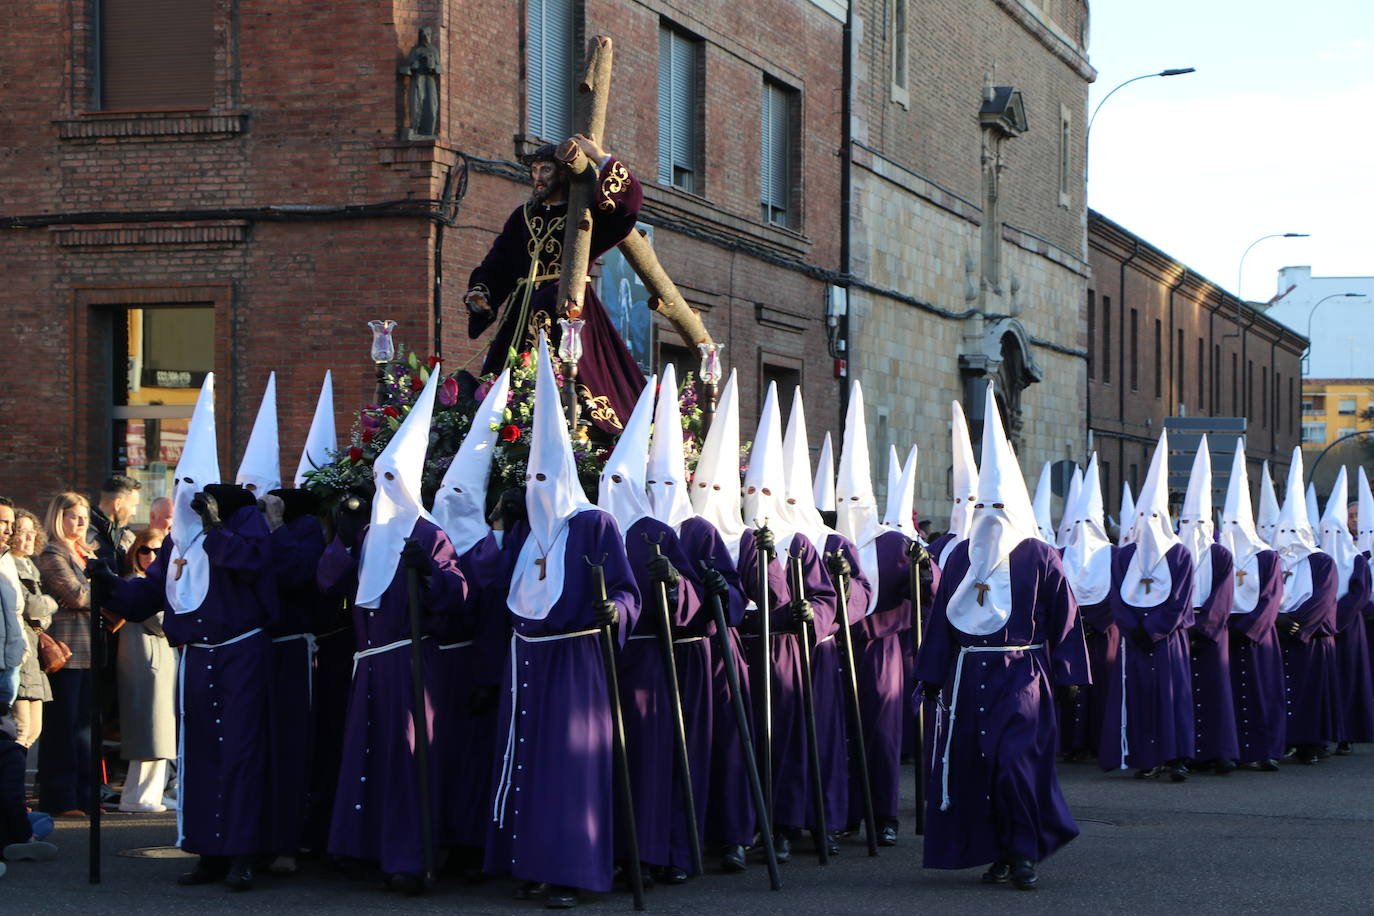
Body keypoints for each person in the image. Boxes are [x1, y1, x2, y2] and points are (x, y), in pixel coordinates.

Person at [94, 374, 278, 891]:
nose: (186, 502)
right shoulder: (175, 546)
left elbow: (253, 566)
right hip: (195, 661)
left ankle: (244, 852)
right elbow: (144, 599)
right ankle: (208, 850)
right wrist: (107, 583)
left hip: (240, 655)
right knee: (200, 757)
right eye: (179, 491)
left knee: (241, 754)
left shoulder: (241, 526)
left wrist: (218, 529)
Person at [484, 334, 640, 909]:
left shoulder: (596, 524)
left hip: (576, 665)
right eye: (530, 482)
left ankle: (573, 869)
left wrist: (614, 612)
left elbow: (626, 591)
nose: (537, 491)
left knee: (568, 769)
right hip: (527, 661)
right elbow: (507, 588)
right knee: (528, 763)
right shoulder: (526, 532)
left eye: (546, 481)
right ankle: (531, 863)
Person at [915, 384, 1089, 890]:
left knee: (1015, 764)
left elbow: (1065, 615)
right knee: (979, 766)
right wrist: (931, 678)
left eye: (999, 502)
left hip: (1021, 676)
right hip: (970, 678)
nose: (990, 513)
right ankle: (998, 851)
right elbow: (943, 622)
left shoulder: (1040, 556)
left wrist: (1070, 672)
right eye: (981, 503)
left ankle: (1024, 851)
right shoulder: (961, 558)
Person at [316, 367, 469, 893]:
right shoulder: (368, 536)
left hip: (410, 662)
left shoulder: (429, 532)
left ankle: (410, 856)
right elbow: (327, 581)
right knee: (367, 755)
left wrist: (428, 571)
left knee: (407, 759)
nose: (383, 489)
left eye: (390, 479)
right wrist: (341, 534)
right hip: (371, 664)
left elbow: (457, 597)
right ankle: (365, 848)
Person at [463, 135, 645, 433]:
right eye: (533, 171)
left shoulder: (584, 213)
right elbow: (499, 264)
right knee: (498, 393)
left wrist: (600, 157)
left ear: (562, 172)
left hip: (568, 308)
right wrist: (482, 293)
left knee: (586, 386)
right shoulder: (522, 217)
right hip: (521, 314)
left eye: (545, 170)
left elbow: (627, 205)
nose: (537, 178)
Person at [833, 381, 911, 846]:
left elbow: (924, 593)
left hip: (881, 650)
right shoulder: (827, 540)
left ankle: (884, 815)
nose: (852, 510)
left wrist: (924, 572)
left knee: (881, 735)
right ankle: (845, 811)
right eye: (845, 502)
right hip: (836, 649)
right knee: (839, 730)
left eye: (859, 502)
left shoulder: (893, 544)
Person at [686, 371, 757, 873]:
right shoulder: (679, 530)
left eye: (718, 485)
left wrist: (726, 592)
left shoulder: (750, 536)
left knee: (731, 746)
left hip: (729, 653)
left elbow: (740, 597)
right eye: (701, 483)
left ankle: (734, 834)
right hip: (692, 651)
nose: (709, 492)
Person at [1099, 430, 1196, 780]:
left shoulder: (1180, 554)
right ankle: (1144, 755)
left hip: (1168, 641)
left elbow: (1180, 598)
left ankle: (1176, 756)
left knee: (1172, 697)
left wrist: (1153, 630)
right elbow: (1116, 595)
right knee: (1137, 697)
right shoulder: (1124, 555)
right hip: (1134, 642)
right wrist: (1131, 628)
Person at [1270, 450, 1340, 765]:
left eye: (1294, 532)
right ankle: (1282, 739)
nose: (1288, 539)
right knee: (1277, 692)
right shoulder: (1271, 560)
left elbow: (1323, 598)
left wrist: (1296, 623)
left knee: (1310, 693)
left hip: (1309, 640)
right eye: (1283, 532)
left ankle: (1311, 742)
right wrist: (1275, 619)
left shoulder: (1321, 561)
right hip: (1277, 636)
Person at [1218, 442, 1286, 771]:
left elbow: (1271, 597)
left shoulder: (1266, 556)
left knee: (1263, 693)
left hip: (1258, 636)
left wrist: (1248, 629)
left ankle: (1265, 749)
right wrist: (1221, 626)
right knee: (1228, 695)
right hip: (1224, 632)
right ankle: (1231, 750)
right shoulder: (1218, 555)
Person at [1177, 437, 1239, 774]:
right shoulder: (1173, 553)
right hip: (1180, 629)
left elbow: (1223, 596)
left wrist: (1205, 629)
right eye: (1187, 524)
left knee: (1216, 691)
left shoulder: (1220, 555)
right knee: (1182, 693)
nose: (1193, 530)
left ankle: (1220, 749)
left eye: (1199, 524)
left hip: (1212, 635)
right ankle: (1185, 750)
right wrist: (1179, 626)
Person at [34, 492, 98, 817]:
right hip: (67, 652)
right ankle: (61, 798)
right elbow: (76, 595)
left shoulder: (86, 554)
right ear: (60, 518)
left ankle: (86, 796)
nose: (82, 522)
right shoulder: (51, 554)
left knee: (85, 728)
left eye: (85, 516)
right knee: (64, 728)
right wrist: (105, 587)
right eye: (75, 516)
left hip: (90, 650)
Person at [1056, 455, 1116, 763]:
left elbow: (1121, 592)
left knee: (1101, 688)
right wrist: (1072, 622)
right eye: (1077, 523)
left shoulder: (1114, 555)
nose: (1082, 529)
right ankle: (1071, 742)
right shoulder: (1060, 553)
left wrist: (1097, 621)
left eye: (1089, 523)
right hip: (1070, 634)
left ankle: (1097, 741)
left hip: (1103, 636)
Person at [115, 527, 176, 813]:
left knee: (159, 732)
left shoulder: (156, 584)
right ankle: (138, 796)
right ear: (135, 552)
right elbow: (163, 623)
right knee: (148, 733)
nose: (151, 556)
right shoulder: (135, 583)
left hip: (160, 664)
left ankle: (150, 793)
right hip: (145, 664)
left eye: (158, 551)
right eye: (145, 550)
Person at [1316, 469, 1374, 753]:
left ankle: (1347, 732)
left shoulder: (1357, 559)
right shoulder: (1316, 558)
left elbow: (1359, 593)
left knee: (1348, 679)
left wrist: (1334, 619)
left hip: (1348, 628)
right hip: (1319, 629)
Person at [10, 510, 55, 748]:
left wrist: (43, 609)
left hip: (35, 655)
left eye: (31, 532)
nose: (28, 538)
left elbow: (40, 615)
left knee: (34, 730)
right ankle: (13, 784)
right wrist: (51, 603)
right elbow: (30, 605)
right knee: (20, 728)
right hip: (21, 651)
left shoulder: (30, 567)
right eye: (21, 532)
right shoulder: (7, 565)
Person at [1, 709, 58, 865]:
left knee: (42, 818)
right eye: (11, 719)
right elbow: (10, 799)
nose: (15, 723)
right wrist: (24, 835)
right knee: (45, 820)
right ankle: (28, 841)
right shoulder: (11, 753)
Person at [88, 474, 141, 572]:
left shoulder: (121, 533)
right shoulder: (87, 536)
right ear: (117, 504)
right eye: (133, 506)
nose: (134, 513)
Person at [0, 499, 21, 717]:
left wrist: (20, 651)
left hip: (10, 664)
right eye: (3, 522)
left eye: (11, 523)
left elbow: (17, 610)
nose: (9, 529)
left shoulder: (7, 560)